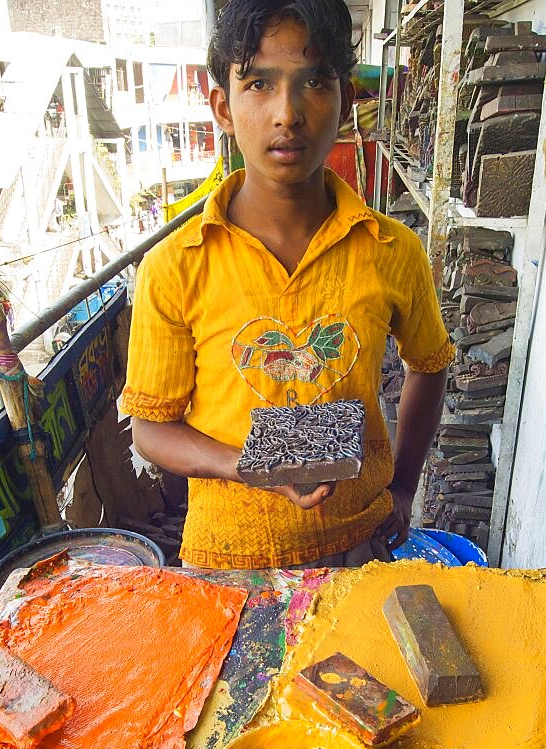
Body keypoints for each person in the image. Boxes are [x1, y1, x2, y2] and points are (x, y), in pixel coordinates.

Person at [120, 0, 453, 570]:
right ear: (222, 106)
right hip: (229, 561)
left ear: (345, 98)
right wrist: (249, 464)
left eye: (314, 82)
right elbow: (151, 428)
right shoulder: (177, 265)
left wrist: (402, 487)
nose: (287, 113)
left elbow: (430, 362)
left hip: (360, 549)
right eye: (258, 84)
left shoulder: (392, 250)